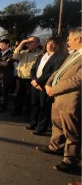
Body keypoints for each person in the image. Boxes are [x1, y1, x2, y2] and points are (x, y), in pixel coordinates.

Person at [36, 27, 81, 171]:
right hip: (58, 97)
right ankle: (55, 147)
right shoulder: (72, 54)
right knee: (57, 124)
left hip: (70, 99)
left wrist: (53, 89)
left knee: (71, 131)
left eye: (69, 39)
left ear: (79, 39)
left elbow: (77, 80)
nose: (67, 41)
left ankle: (70, 160)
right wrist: (48, 83)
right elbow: (59, 71)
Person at [27, 36, 68, 135]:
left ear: (58, 45)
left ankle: (41, 128)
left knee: (44, 107)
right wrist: (33, 80)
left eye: (53, 43)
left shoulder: (61, 57)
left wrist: (38, 81)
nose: (50, 45)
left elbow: (54, 72)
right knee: (34, 104)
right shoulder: (42, 55)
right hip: (35, 84)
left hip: (46, 85)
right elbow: (33, 69)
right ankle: (33, 123)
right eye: (49, 43)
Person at [12, 36, 43, 116]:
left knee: (30, 98)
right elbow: (14, 56)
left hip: (31, 79)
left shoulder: (40, 53)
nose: (29, 43)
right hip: (21, 77)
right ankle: (17, 111)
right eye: (28, 42)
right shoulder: (23, 52)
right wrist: (21, 43)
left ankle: (28, 113)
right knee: (19, 95)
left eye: (32, 42)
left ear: (38, 43)